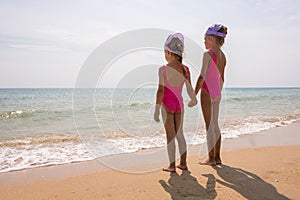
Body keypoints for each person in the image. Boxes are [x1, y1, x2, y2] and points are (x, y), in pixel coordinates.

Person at [154, 33, 197, 172]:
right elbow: (190, 88)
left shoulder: (163, 69)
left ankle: (172, 166)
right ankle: (183, 163)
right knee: (180, 135)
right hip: (179, 106)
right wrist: (193, 99)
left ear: (168, 52)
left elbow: (161, 91)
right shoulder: (185, 70)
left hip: (167, 106)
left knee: (170, 137)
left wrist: (156, 109)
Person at [195, 24, 228, 166]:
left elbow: (202, 76)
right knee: (215, 125)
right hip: (217, 92)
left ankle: (211, 159)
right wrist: (218, 92)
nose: (204, 42)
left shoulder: (208, 54)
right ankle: (218, 157)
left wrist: (194, 93)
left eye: (205, 39)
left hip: (207, 91)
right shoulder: (223, 56)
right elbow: (222, 78)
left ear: (212, 38)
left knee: (209, 126)